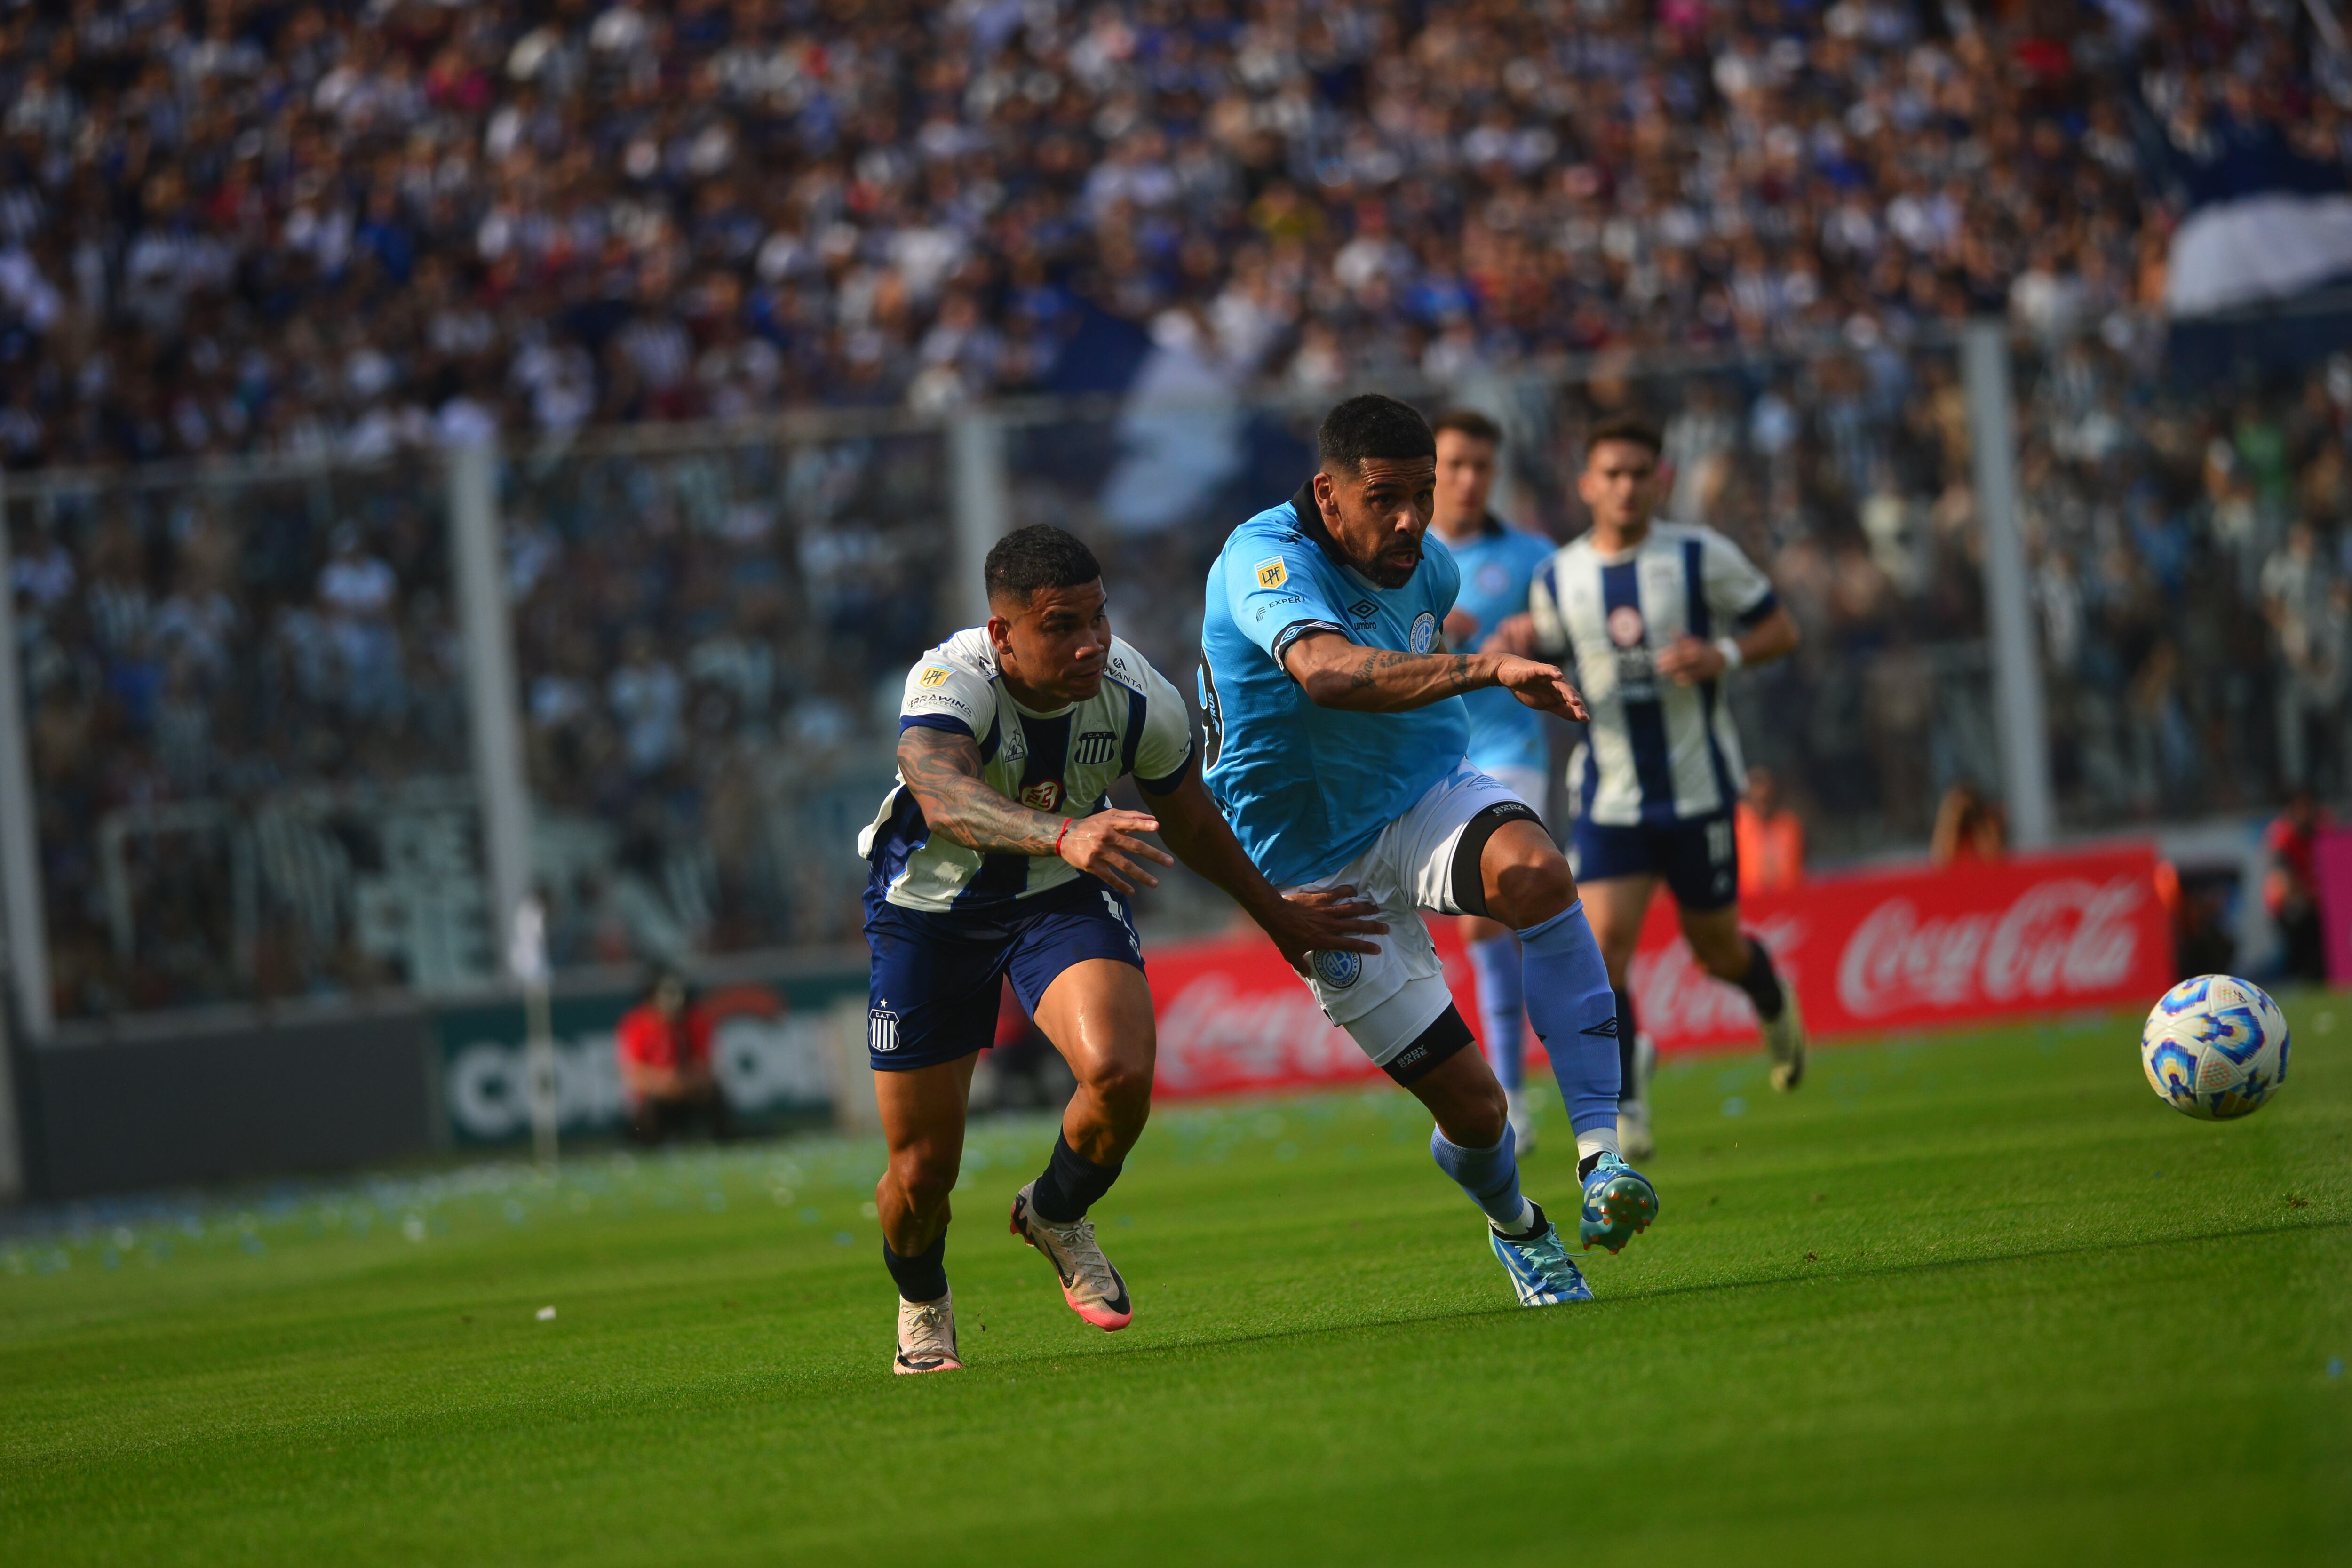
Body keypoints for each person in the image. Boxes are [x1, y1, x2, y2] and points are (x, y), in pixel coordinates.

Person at [858, 524, 1382, 1374]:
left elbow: (1193, 821)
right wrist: (1062, 831)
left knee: (1121, 1075)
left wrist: (1278, 917)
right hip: (930, 910)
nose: (1091, 642)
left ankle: (1057, 1211)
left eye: (1099, 618)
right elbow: (943, 793)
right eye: (1062, 624)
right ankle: (922, 1301)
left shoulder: (1139, 694)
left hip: (1058, 895)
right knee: (921, 1174)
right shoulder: (952, 678)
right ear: (1003, 634)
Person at [1198, 393, 1650, 1312]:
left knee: (1533, 868)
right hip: (1311, 866)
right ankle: (1518, 1225)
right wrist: (1483, 668)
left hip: (1423, 798)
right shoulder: (1261, 559)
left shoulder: (1427, 569)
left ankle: (1603, 1157)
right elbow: (1323, 673)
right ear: (1328, 496)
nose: (1410, 518)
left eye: (1423, 493)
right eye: (1384, 498)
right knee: (1478, 1115)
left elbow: (1428, 642)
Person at [1518, 414, 1806, 1163]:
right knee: (1603, 952)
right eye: (1610, 474)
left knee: (1715, 951)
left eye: (1639, 473)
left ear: (1662, 480)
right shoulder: (1559, 576)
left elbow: (1782, 629)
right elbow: (1543, 651)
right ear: (1586, 485)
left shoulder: (1701, 556)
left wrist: (1727, 653)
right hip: (1610, 797)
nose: (1625, 487)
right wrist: (1517, 648)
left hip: (1698, 788)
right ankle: (1628, 1103)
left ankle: (1770, 996)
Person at [1426, 408, 1560, 1153]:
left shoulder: (1534, 555)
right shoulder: (1398, 558)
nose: (1470, 480)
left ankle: (1510, 1097)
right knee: (1514, 921)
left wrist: (1540, 634)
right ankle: (1617, 1028)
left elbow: (1581, 628)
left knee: (1487, 911)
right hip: (1424, 760)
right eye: (1455, 466)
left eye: (1482, 465)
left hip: (1507, 749)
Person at [615, 969, 736, 1145]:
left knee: (715, 1093)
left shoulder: (695, 1020)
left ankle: (722, 1140)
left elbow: (708, 1065)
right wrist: (663, 1083)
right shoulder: (636, 1024)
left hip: (689, 1093)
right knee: (649, 1109)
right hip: (657, 1099)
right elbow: (631, 1074)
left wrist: (685, 1082)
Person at [2263, 789, 2331, 981]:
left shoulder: (2323, 830)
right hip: (2291, 905)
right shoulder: (2283, 835)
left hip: (2314, 900)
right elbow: (2285, 881)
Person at [1735, 766, 1805, 895]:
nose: (1763, 804)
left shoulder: (1789, 826)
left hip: (1787, 901)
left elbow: (1797, 870)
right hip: (1749, 902)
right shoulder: (1738, 825)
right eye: (1758, 801)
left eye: (1767, 800)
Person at [1930, 781, 2008, 865]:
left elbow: (1993, 857)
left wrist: (1977, 820)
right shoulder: (1949, 826)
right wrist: (1954, 819)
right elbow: (1941, 860)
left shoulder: (1986, 822)